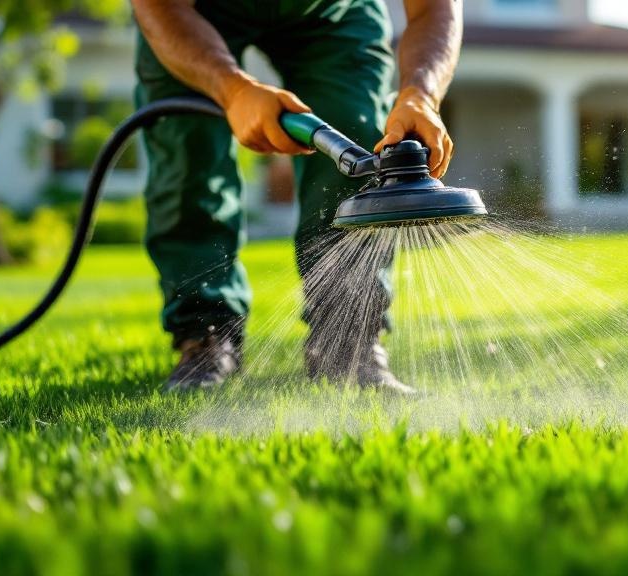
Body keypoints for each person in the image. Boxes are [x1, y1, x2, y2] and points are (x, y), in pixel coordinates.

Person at [131, 0, 460, 393]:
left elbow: (433, 9)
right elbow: (159, 8)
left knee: (354, 131)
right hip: (194, 10)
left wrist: (421, 94)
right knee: (188, 158)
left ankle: (346, 340)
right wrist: (233, 90)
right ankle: (204, 333)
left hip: (331, 11)